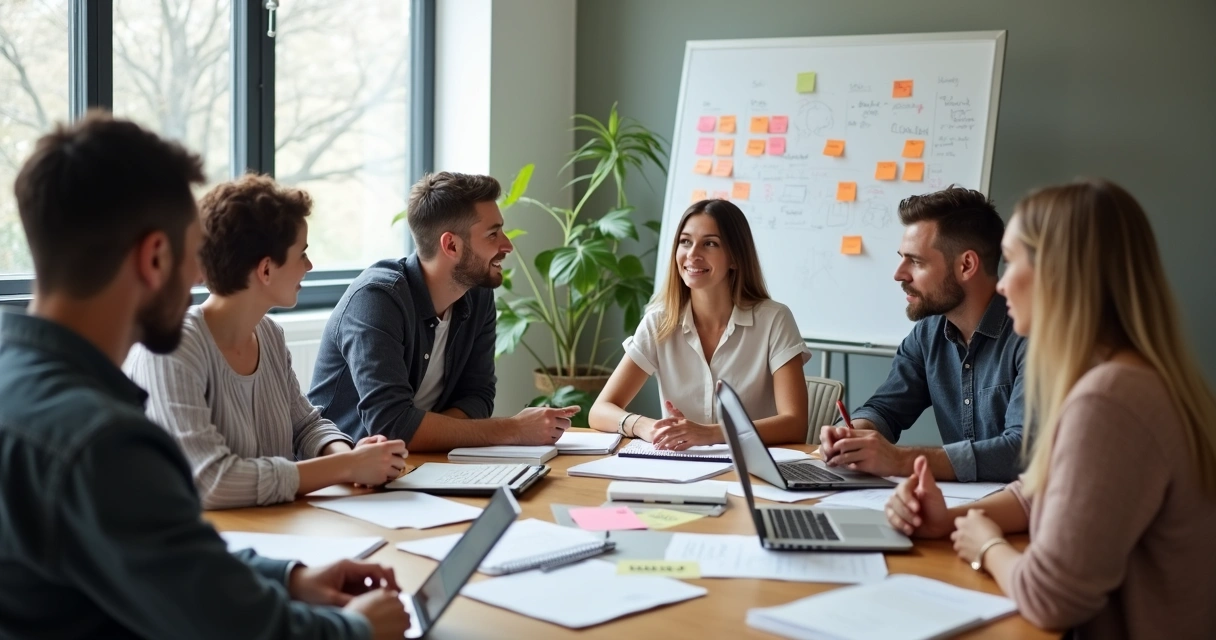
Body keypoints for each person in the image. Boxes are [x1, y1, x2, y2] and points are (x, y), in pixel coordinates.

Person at [0, 113, 408, 639]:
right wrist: (356, 630)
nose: (201, 274)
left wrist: (288, 577)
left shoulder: (23, 385)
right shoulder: (101, 443)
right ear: (154, 258)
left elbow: (161, 557)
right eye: (193, 255)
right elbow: (237, 628)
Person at [885, 179, 1216, 637]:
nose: (999, 283)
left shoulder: (1111, 399)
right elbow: (1041, 490)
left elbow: (1052, 598)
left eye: (1013, 260)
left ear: (1060, 274)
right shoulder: (1123, 375)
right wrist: (949, 520)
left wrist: (987, 544)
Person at [124, 174, 408, 509]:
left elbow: (306, 426)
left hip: (274, 529)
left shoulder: (269, 334)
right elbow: (210, 482)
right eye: (301, 254)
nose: (309, 266)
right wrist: (344, 467)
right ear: (266, 270)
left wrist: (353, 458)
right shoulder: (171, 349)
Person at [308, 171, 577, 451]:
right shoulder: (377, 299)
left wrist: (425, 433)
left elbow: (478, 396)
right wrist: (514, 429)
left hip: (420, 464)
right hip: (344, 476)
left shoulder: (477, 294)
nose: (507, 245)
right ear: (451, 245)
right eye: (493, 234)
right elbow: (390, 424)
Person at [819, 186, 1025, 482]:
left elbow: (1021, 451)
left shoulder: (1030, 335)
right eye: (902, 258)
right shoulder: (927, 335)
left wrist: (899, 459)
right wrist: (852, 435)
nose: (899, 273)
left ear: (966, 265)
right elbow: (885, 409)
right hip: (956, 509)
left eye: (915, 261)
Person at [588, 199, 809, 449]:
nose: (692, 255)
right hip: (682, 470)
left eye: (710, 244)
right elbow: (600, 410)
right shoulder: (659, 321)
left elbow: (795, 424)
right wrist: (646, 427)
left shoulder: (774, 319)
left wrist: (710, 433)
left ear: (735, 258)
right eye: (685, 242)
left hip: (753, 472)